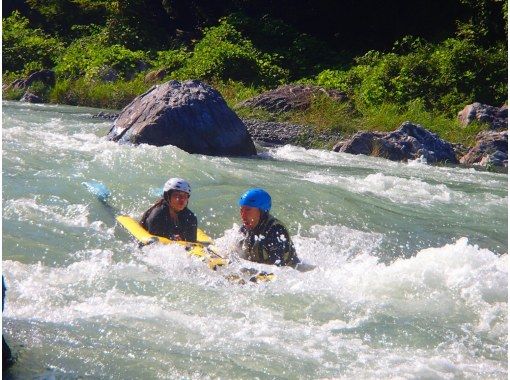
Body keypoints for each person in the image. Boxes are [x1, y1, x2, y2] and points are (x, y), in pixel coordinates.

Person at [237, 188, 300, 267]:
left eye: (248, 210)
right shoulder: (245, 229)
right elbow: (234, 252)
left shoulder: (276, 231)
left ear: (262, 211)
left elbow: (279, 269)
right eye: (241, 210)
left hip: (292, 274)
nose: (243, 215)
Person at [140, 178, 197, 242]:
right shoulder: (157, 215)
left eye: (185, 196)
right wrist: (170, 237)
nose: (182, 199)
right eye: (177, 195)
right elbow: (154, 239)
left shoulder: (190, 217)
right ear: (167, 196)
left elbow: (192, 242)